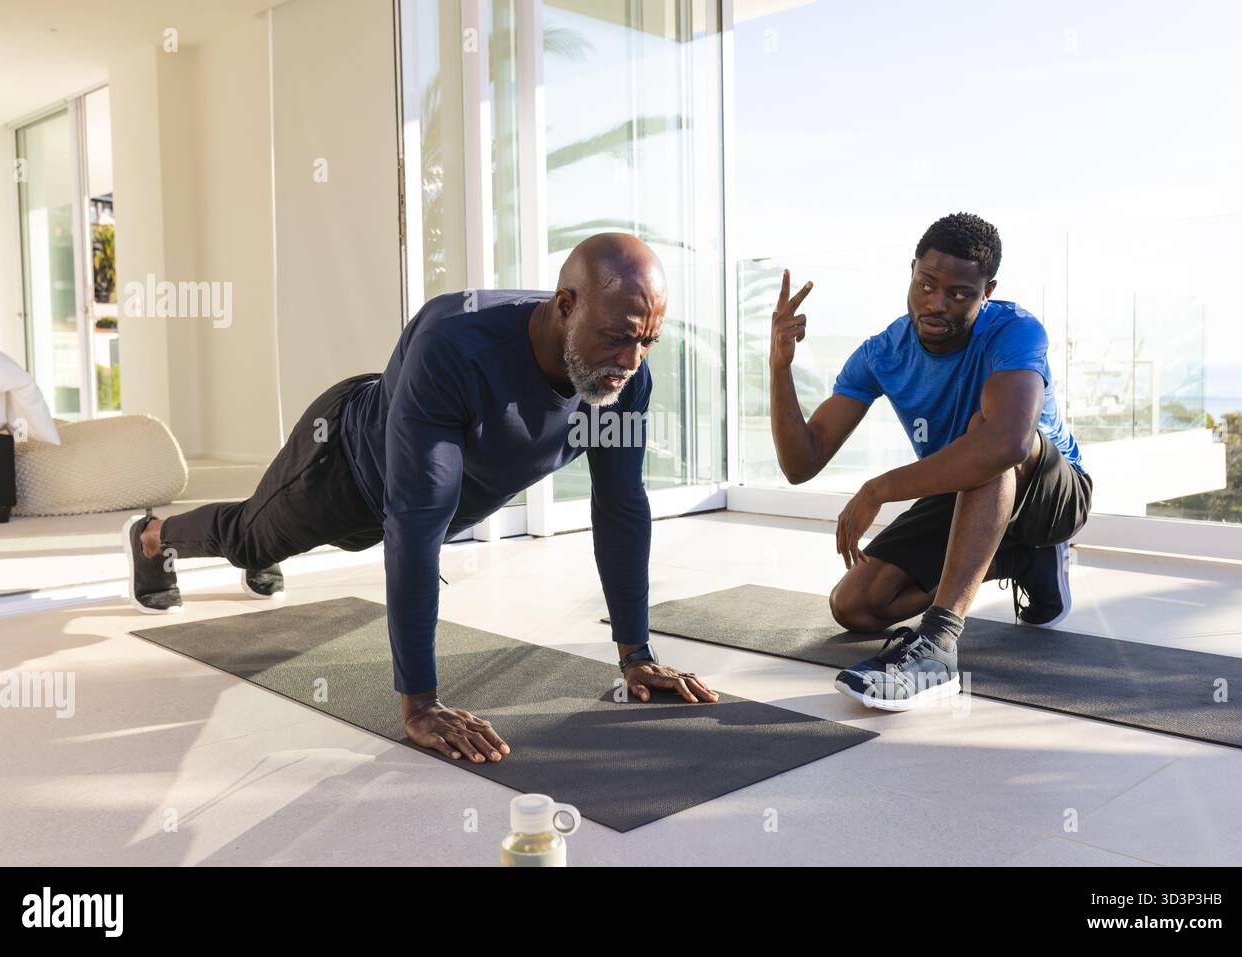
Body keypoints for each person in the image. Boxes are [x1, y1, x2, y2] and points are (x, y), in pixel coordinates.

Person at [122, 232, 719, 759]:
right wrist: (420, 703)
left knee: (273, 540)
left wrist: (636, 653)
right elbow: (415, 522)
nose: (630, 361)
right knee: (249, 540)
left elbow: (620, 507)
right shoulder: (455, 343)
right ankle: (153, 537)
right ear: (564, 305)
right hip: (345, 470)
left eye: (647, 342)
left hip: (408, 500)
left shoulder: (627, 380)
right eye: (616, 338)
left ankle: (256, 541)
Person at [768, 212, 1093, 710]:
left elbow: (1007, 443)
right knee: (856, 605)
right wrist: (779, 366)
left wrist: (878, 489)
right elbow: (801, 463)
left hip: (1053, 491)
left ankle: (938, 649)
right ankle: (1021, 557)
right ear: (913, 271)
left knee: (984, 439)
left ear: (987, 292)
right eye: (926, 284)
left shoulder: (1016, 331)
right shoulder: (882, 353)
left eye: (960, 293)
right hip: (967, 495)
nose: (936, 303)